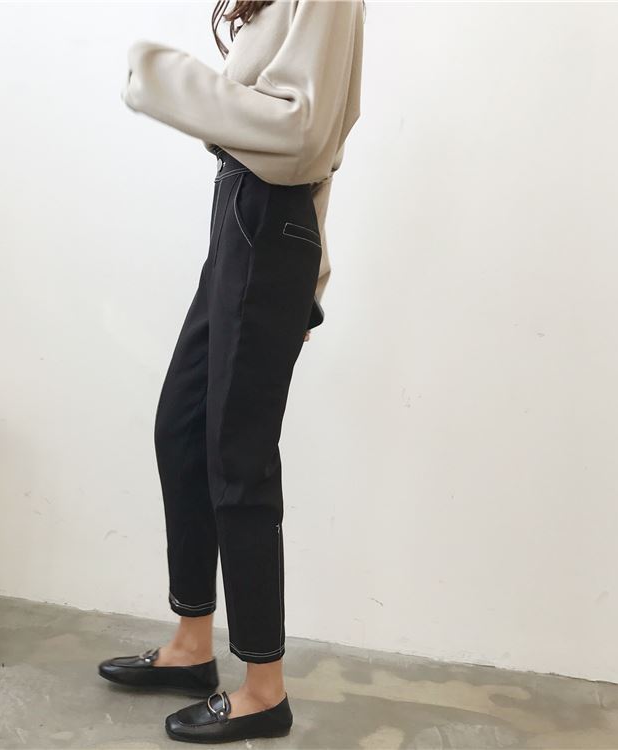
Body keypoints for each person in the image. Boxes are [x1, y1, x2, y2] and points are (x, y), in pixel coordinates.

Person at [99, 0, 365, 743]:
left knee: (237, 456)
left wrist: (168, 79)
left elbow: (304, 132)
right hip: (241, 214)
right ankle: (192, 646)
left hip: (269, 220)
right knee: (183, 428)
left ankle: (263, 689)